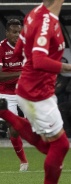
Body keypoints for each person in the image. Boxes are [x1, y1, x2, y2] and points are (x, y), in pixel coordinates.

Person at [0, 1, 71, 183]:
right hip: (37, 93)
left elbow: (18, 51)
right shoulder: (45, 22)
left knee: (47, 146)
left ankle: (5, 113)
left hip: (33, 90)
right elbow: (40, 61)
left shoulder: (34, 13)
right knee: (61, 145)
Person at [0, 19, 29, 171]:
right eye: (14, 32)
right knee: (14, 129)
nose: (18, 35)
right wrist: (21, 72)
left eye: (20, 32)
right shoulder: (1, 48)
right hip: (6, 93)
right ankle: (23, 161)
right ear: (7, 33)